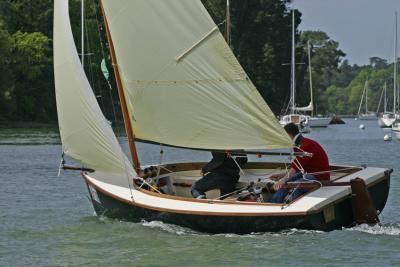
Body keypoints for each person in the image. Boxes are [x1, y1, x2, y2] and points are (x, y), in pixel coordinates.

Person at [270, 123, 330, 203]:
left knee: (295, 185)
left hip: (319, 177)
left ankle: (289, 206)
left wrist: (283, 180)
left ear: (289, 135)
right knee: (286, 184)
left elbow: (296, 166)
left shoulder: (306, 145)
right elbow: (298, 166)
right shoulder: (301, 144)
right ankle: (274, 203)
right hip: (307, 173)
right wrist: (282, 176)